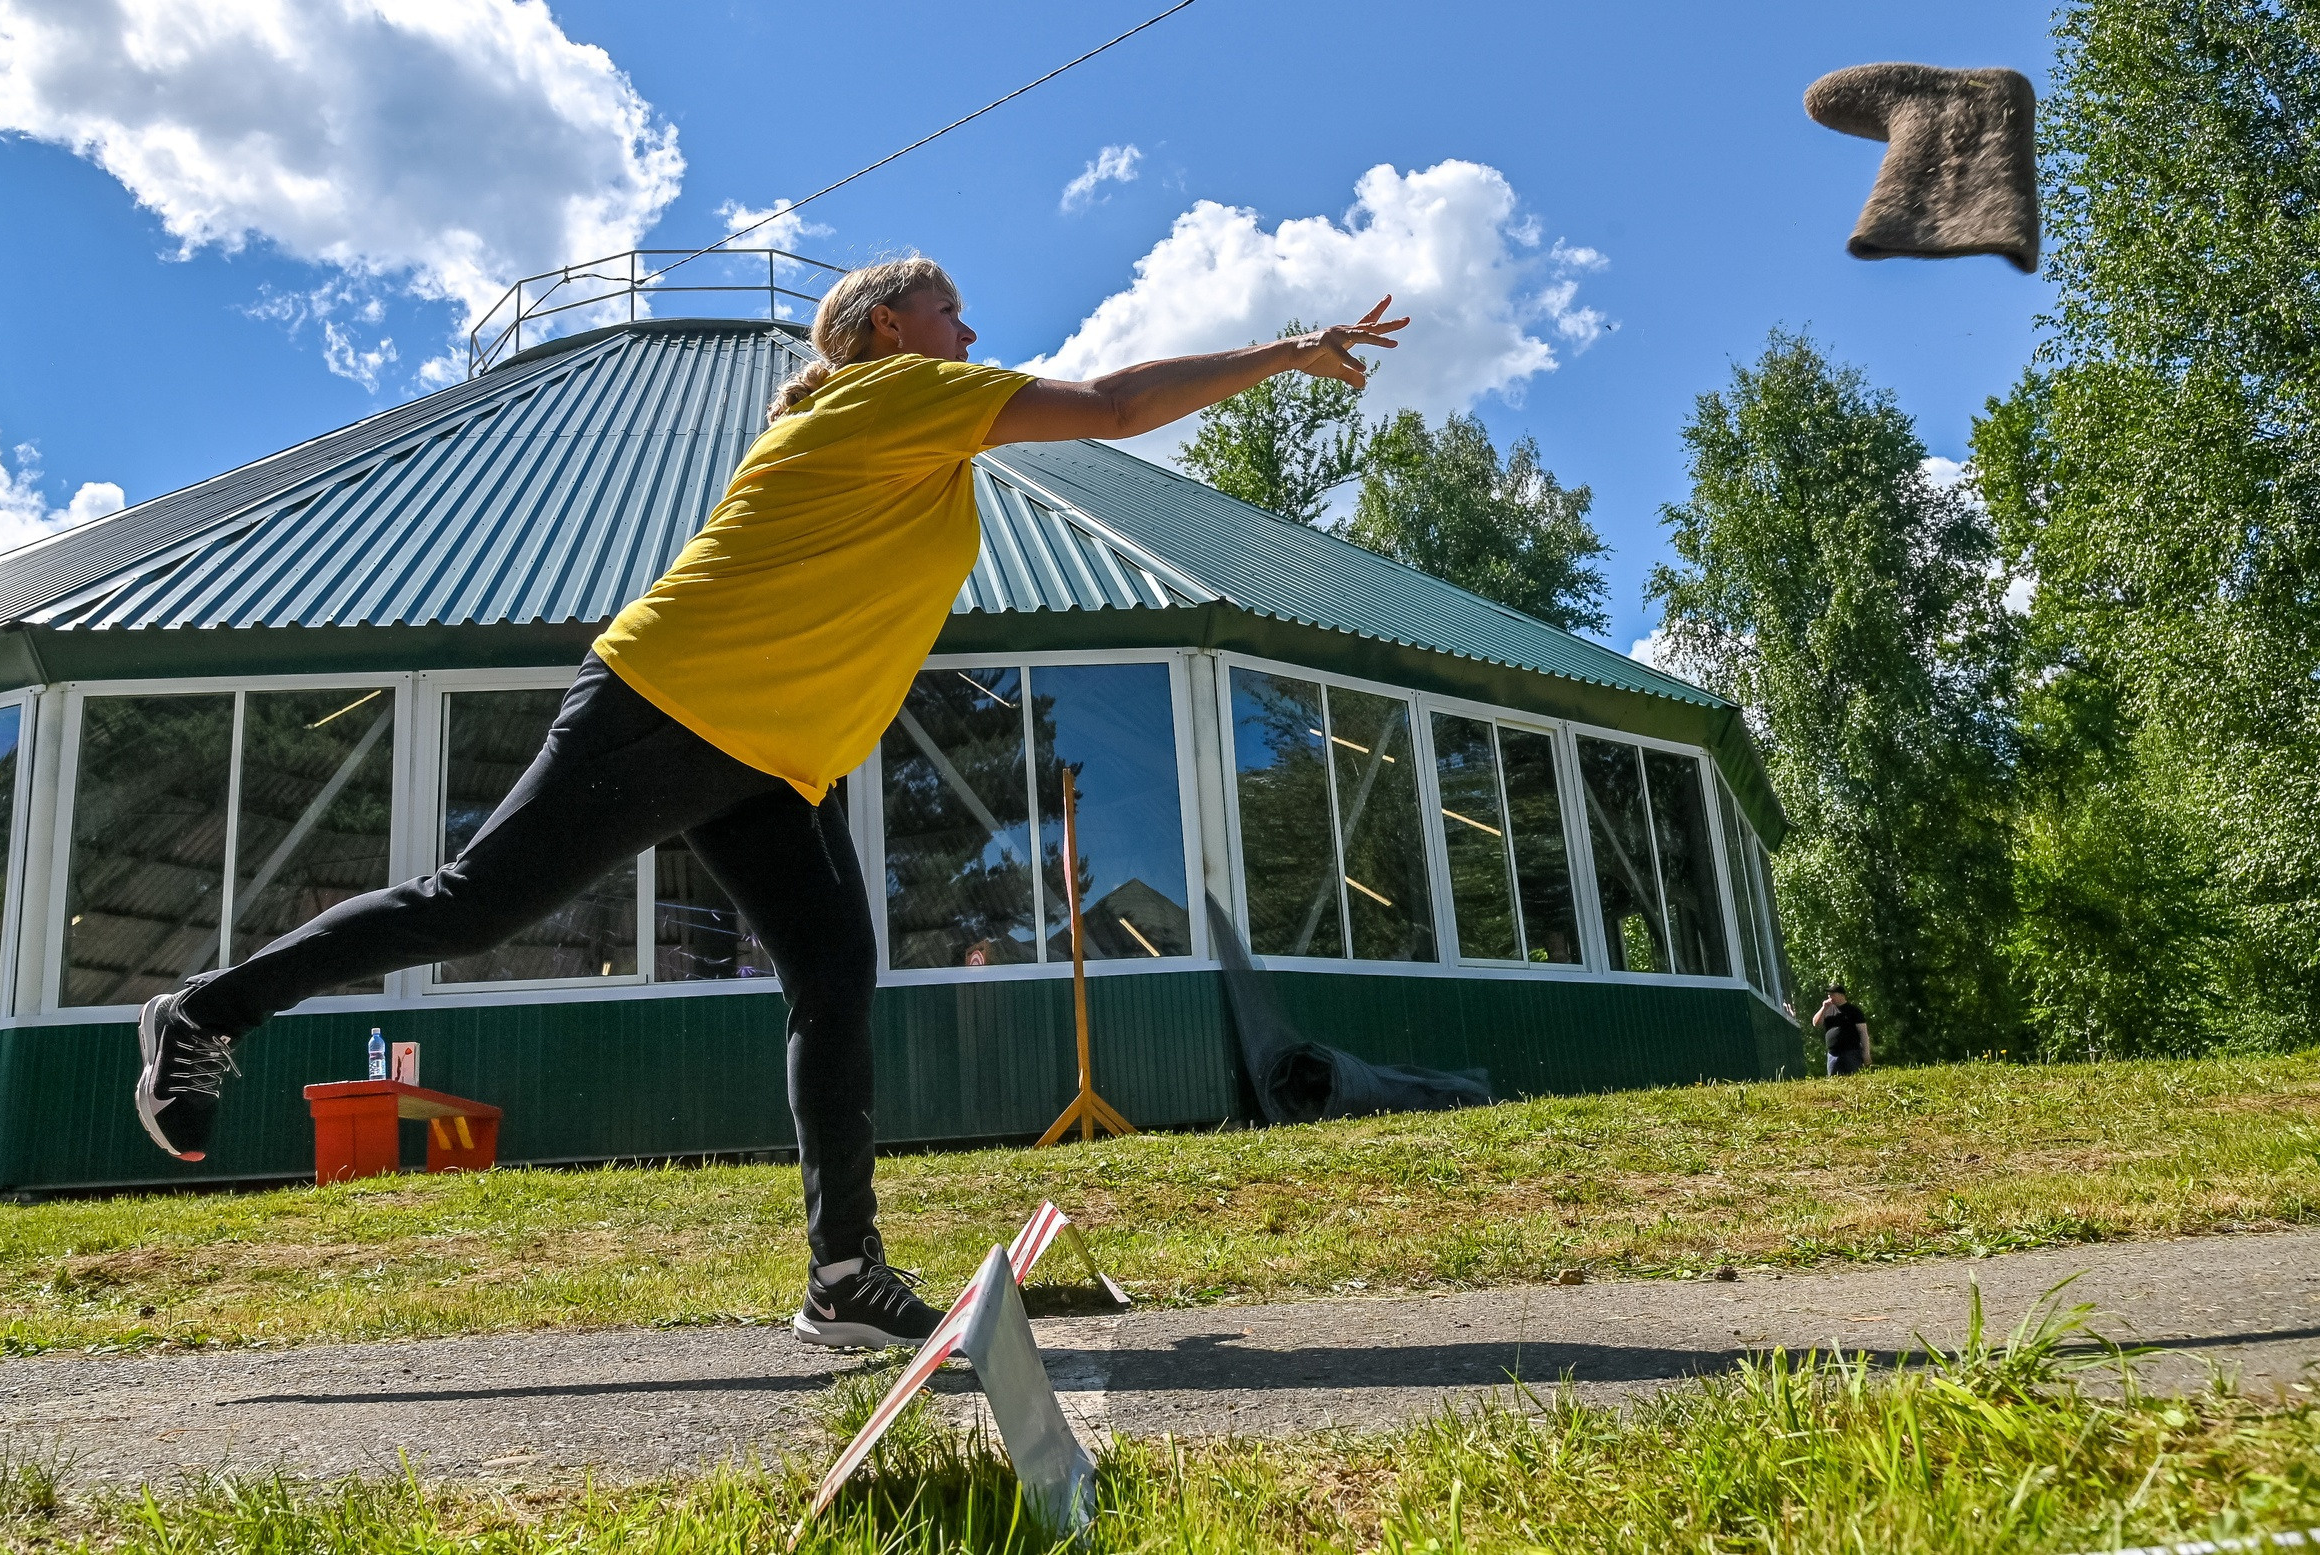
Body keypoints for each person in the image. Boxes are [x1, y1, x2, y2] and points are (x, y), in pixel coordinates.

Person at [130, 256, 1408, 1349]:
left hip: (767, 758)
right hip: (670, 703)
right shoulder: (897, 394)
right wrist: (1289, 350)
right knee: (471, 909)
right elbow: (1119, 407)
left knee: (835, 976)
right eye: (949, 309)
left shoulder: (915, 431)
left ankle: (841, 1276)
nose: (970, 331)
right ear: (886, 330)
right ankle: (202, 1011)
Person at [1812, 984, 1871, 1075]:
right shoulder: (1827, 1010)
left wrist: (1866, 1053)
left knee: (1854, 1078)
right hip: (1833, 1054)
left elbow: (1863, 1032)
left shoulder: (1854, 1011)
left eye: (1833, 995)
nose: (1830, 997)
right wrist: (1823, 1008)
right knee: (1834, 1082)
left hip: (1851, 1052)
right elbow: (1816, 1023)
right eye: (1829, 995)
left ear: (1841, 995)